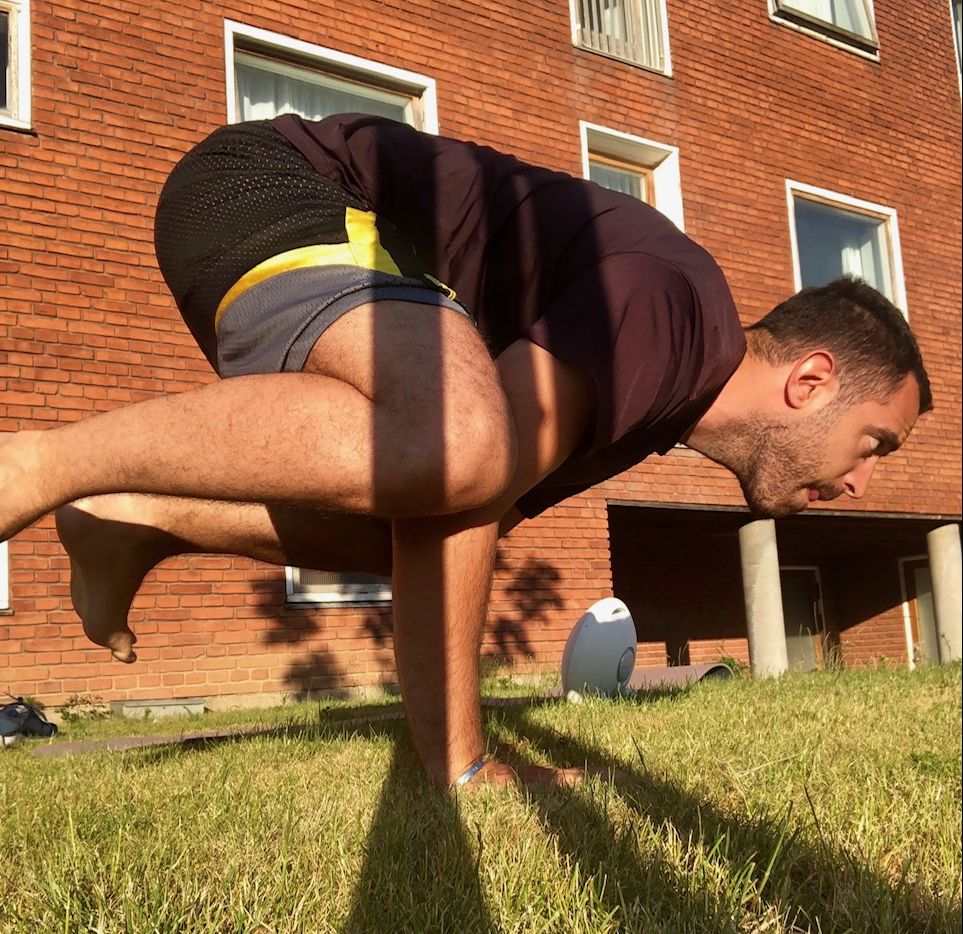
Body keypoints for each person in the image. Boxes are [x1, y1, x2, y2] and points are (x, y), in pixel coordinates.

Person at [0, 114, 931, 788]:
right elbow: (465, 473)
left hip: (275, 224)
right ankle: (39, 464)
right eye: (873, 443)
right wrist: (463, 767)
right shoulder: (676, 315)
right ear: (808, 381)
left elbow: (449, 520)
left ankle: (129, 515)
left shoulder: (652, 401)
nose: (860, 479)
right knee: (460, 447)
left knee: (402, 516)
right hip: (279, 186)